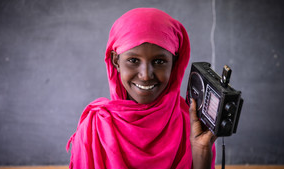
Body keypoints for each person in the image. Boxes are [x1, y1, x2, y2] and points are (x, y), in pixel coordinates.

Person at [67, 8, 216, 169]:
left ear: (174, 63)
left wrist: (201, 149)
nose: (145, 75)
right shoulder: (94, 129)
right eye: (133, 60)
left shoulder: (192, 126)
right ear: (116, 61)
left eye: (159, 61)